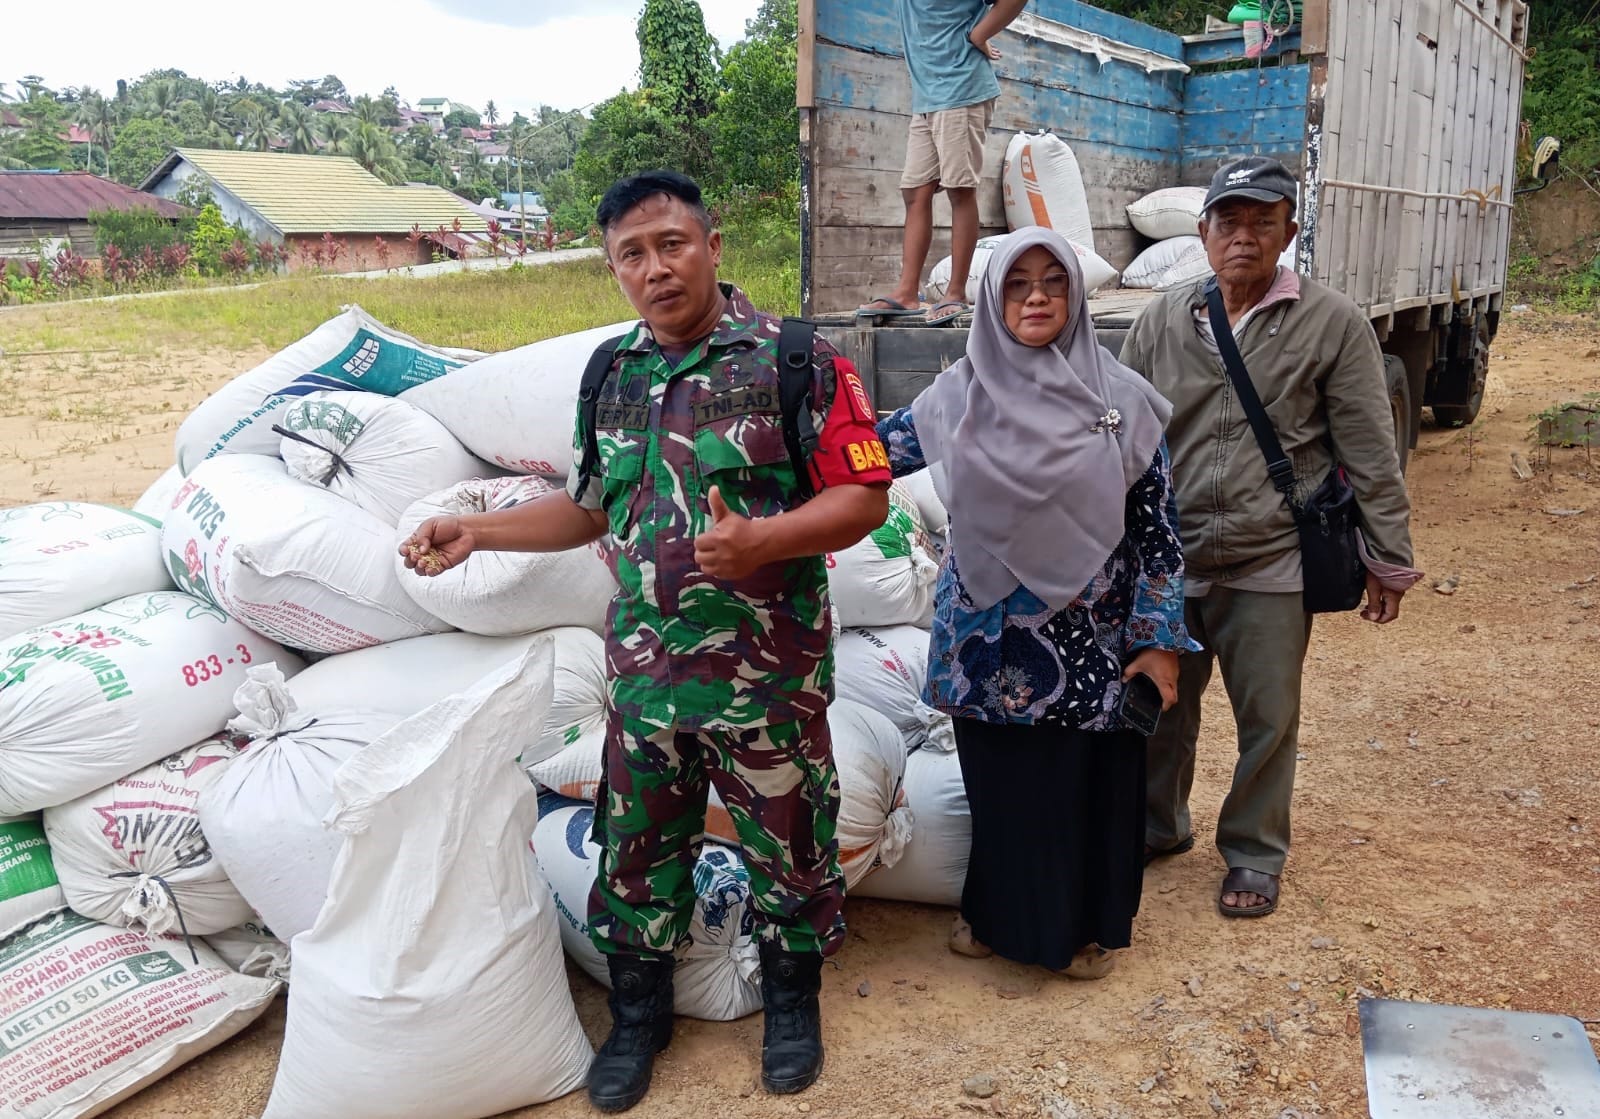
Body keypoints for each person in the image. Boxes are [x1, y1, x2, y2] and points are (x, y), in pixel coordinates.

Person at [399, 171, 892, 1112]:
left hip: (766, 685)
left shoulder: (796, 361)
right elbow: (587, 509)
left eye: (672, 243)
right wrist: (479, 531)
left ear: (711, 244)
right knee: (636, 855)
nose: (656, 267)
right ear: (615, 269)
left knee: (789, 851)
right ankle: (638, 1016)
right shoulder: (610, 376)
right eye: (633, 253)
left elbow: (863, 496)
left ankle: (793, 1003)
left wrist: (763, 539)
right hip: (647, 684)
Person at [875, 226, 1197, 977]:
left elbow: (1158, 532)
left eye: (1054, 281)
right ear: (994, 299)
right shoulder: (959, 392)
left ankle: (1087, 930)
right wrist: (777, 430)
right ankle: (994, 918)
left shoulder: (1120, 399)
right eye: (1018, 284)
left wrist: (1158, 640)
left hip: (1093, 640)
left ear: (1077, 295)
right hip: (987, 641)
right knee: (1004, 792)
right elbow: (872, 451)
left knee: (1087, 789)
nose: (1038, 296)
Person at [1120, 155, 1422, 919]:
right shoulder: (1161, 319)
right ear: (1203, 232)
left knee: (1268, 718)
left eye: (1263, 220)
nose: (1244, 237)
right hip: (1174, 558)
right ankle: (1158, 825)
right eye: (1230, 221)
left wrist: (1388, 555)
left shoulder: (1332, 322)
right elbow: (1116, 437)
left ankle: (1253, 852)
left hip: (1271, 558)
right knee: (1158, 706)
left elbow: (1368, 448)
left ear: (1289, 231)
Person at [856, 0, 1027, 326]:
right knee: (915, 192)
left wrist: (979, 34)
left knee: (959, 189)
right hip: (927, 97)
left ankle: (955, 293)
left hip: (961, 88)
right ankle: (907, 293)